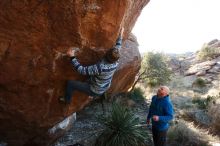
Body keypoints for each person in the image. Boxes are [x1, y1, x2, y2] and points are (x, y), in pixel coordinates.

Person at [59, 27, 124, 104]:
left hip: (94, 89)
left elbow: (82, 70)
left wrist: (72, 57)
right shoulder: (116, 61)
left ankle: (67, 100)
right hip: (104, 86)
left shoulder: (100, 67)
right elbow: (118, 47)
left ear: (106, 54)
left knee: (70, 83)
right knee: (92, 77)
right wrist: (121, 35)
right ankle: (100, 93)